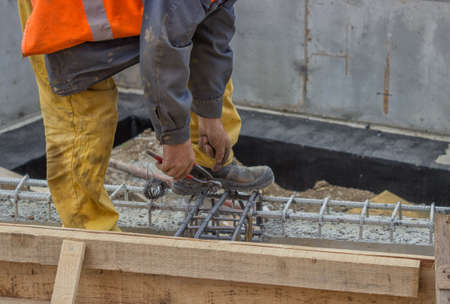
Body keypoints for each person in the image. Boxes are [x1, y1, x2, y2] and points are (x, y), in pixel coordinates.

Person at [17, 0, 274, 231]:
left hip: (128, 9)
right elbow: (161, 49)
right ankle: (91, 234)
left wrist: (210, 116)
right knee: (82, 116)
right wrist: (174, 140)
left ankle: (205, 163)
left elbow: (211, 33)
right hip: (65, 12)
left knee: (195, 40)